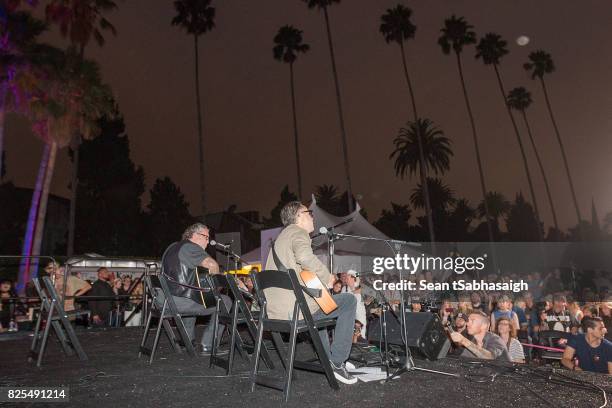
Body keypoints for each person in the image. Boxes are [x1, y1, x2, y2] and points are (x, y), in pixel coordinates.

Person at [264, 201, 357, 384]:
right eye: (309, 213)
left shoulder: (280, 240)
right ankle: (337, 362)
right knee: (349, 301)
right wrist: (328, 277)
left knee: (321, 306)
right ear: (298, 216)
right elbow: (305, 257)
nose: (312, 216)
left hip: (276, 313)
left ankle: (328, 358)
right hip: (297, 311)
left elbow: (297, 271)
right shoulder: (298, 232)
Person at [161, 223, 232, 355]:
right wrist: (216, 289)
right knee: (225, 301)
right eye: (206, 237)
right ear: (195, 235)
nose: (208, 242)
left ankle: (187, 340)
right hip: (178, 301)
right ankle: (209, 345)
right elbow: (211, 264)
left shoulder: (172, 247)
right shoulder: (190, 247)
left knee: (193, 296)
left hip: (164, 300)